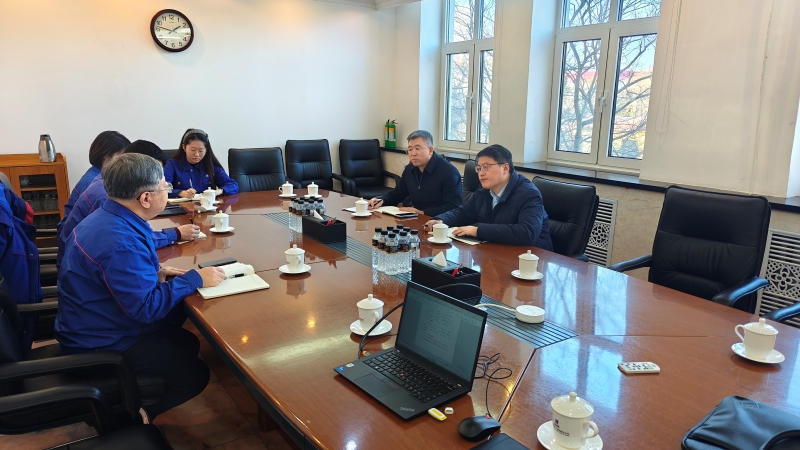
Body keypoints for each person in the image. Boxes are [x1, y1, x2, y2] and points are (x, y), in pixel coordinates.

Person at [55, 153, 226, 421]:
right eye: (165, 187)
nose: (168, 190)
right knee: (196, 374)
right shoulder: (120, 241)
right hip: (101, 343)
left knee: (188, 342)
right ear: (145, 198)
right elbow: (146, 309)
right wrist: (194, 279)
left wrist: (154, 273)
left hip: (94, 322)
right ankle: (137, 417)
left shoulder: (111, 217)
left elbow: (113, 274)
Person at [57, 140, 200, 269]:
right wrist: (175, 234)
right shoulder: (105, 195)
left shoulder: (111, 185)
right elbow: (128, 244)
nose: (158, 177)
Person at [425, 145, 553, 249]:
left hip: (532, 258)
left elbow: (527, 232)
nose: (481, 173)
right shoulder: (484, 190)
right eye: (479, 168)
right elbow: (464, 213)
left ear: (505, 168)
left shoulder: (528, 194)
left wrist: (478, 231)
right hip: (497, 250)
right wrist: (441, 220)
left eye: (486, 167)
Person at [366, 130, 461, 216]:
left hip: (439, 222)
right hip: (415, 218)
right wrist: (382, 200)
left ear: (430, 150)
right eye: (410, 149)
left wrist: (423, 213)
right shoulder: (410, 169)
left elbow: (453, 207)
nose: (413, 153)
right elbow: (397, 194)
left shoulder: (448, 172)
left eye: (417, 148)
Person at [63, 131, 130, 219]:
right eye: (121, 158)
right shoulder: (97, 186)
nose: (126, 163)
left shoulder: (96, 175)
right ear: (104, 158)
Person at [164, 128, 238, 198]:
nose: (197, 154)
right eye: (193, 150)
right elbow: (163, 188)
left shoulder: (210, 165)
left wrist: (219, 191)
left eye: (201, 151)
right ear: (184, 147)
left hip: (207, 205)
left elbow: (233, 185)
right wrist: (181, 193)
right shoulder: (172, 165)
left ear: (206, 149)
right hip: (181, 206)